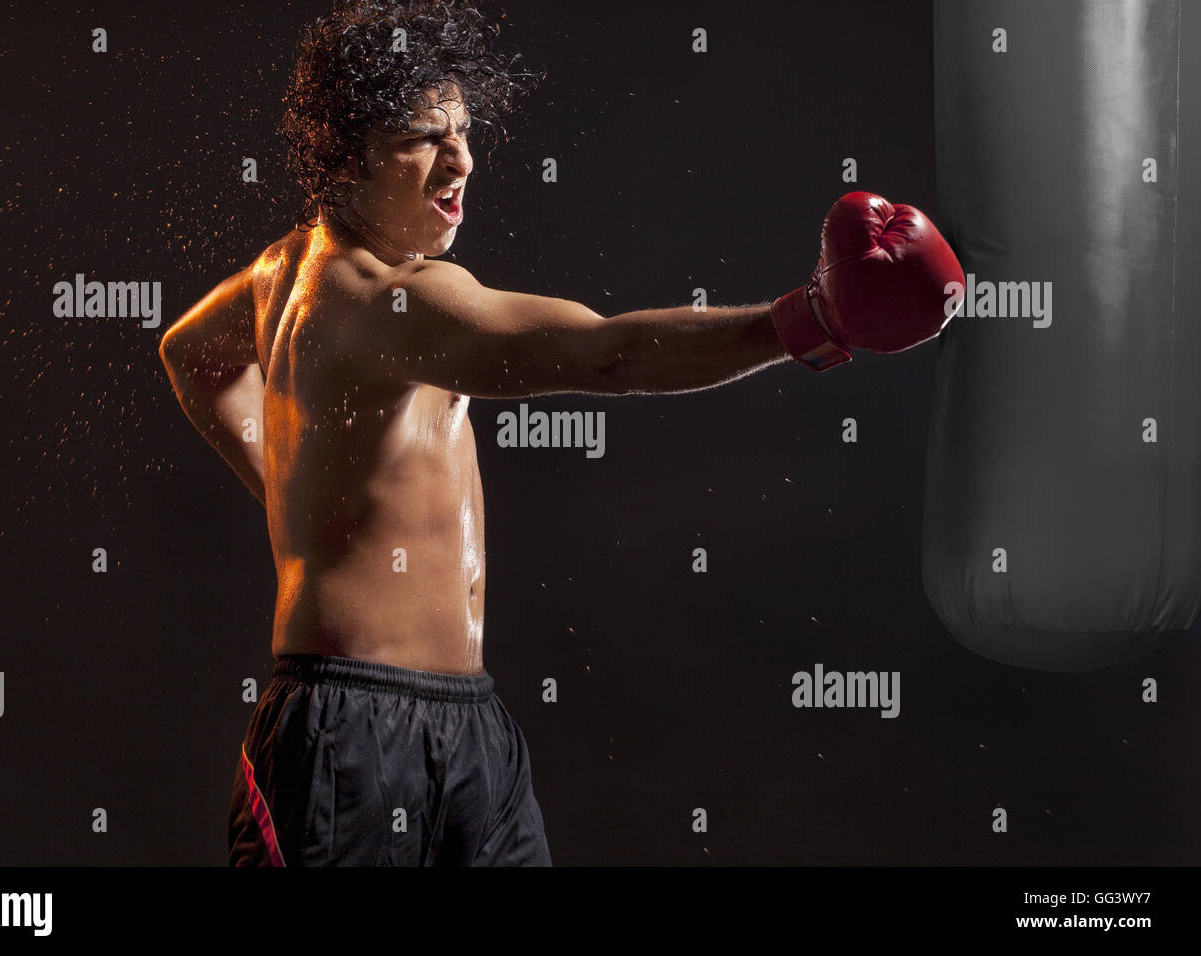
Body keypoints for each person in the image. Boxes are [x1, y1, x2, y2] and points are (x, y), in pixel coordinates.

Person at [158, 0, 961, 867]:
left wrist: (295, 497)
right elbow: (604, 355)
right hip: (352, 737)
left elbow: (188, 353)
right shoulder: (387, 300)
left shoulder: (286, 270)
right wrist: (808, 319)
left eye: (462, 131)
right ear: (348, 155)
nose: (461, 158)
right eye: (424, 138)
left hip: (467, 726)